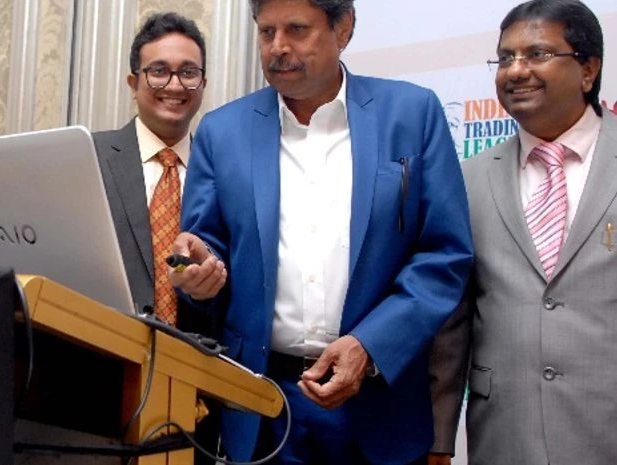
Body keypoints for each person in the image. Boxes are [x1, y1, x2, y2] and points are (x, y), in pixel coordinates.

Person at [168, 0, 474, 463]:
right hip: (263, 405)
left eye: (296, 29)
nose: (278, 47)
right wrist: (198, 273)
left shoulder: (412, 113)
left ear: (344, 28)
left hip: (379, 400)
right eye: (266, 31)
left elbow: (444, 256)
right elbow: (207, 250)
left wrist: (370, 345)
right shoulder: (221, 131)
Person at [428, 1, 612, 465]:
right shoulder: (468, 179)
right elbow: (452, 325)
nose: (516, 70)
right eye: (505, 57)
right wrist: (439, 439)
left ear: (588, 69)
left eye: (537, 54)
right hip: (506, 434)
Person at [90, 12, 220, 464]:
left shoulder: (227, 169)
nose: (175, 84)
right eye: (159, 71)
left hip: (197, 398)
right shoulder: (88, 157)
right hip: (97, 386)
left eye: (189, 72)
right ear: (133, 80)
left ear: (203, 83)